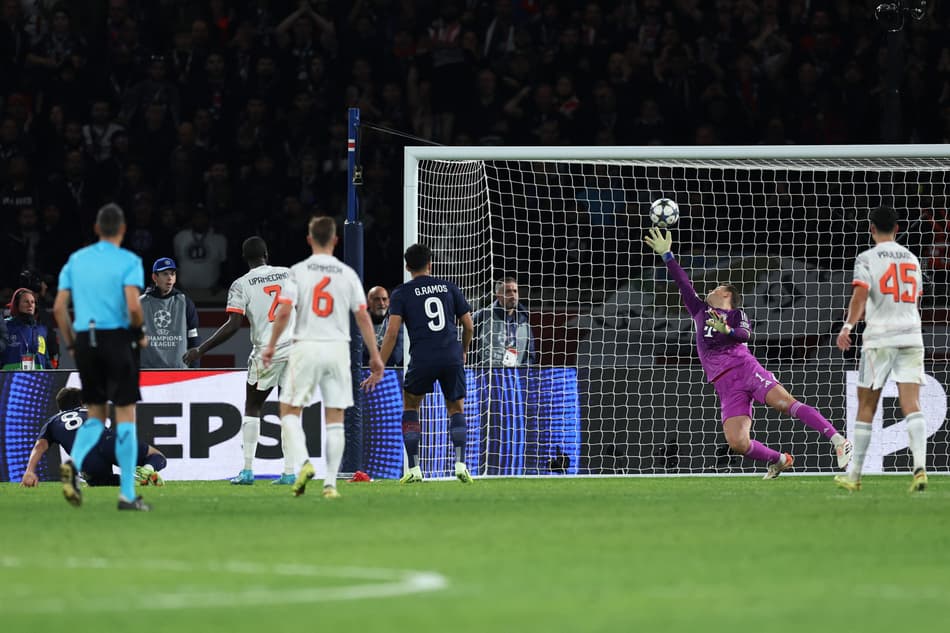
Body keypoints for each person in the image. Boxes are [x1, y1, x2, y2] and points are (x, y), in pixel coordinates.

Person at [643, 227, 853, 478]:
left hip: (746, 369)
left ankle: (838, 440)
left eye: (716, 287)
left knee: (785, 403)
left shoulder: (736, 314)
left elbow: (744, 336)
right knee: (738, 443)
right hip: (725, 385)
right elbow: (683, 283)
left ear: (727, 294)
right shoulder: (700, 312)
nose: (710, 289)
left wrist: (726, 328)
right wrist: (667, 254)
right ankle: (780, 460)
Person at [262, 216, 384, 500]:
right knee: (336, 417)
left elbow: (283, 311)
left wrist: (270, 345)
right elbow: (363, 316)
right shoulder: (347, 274)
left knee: (289, 410)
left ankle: (304, 463)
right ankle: (330, 484)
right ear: (335, 240)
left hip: (306, 345)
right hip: (338, 348)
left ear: (308, 240)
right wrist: (375, 355)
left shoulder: (297, 271)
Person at [53, 202, 151, 511]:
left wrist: (71, 345)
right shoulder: (129, 261)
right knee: (124, 417)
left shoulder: (75, 261)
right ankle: (126, 495)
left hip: (85, 340)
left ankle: (74, 464)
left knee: (95, 413)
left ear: (96, 229)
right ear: (122, 230)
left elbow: (58, 309)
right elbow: (134, 307)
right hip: (117, 340)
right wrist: (138, 333)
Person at [183, 236, 298, 485]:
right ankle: (289, 472)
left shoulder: (241, 284)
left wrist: (200, 350)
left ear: (245, 258)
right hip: (295, 351)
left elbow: (233, 324)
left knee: (253, 407)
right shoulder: (288, 275)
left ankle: (247, 471)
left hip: (267, 353)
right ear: (267, 253)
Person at [835, 206, 929, 493]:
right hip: (912, 335)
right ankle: (920, 469)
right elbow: (916, 300)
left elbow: (860, 294)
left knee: (866, 406)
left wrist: (848, 327)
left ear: (871, 228)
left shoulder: (867, 258)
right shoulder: (912, 259)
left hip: (880, 339)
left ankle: (854, 477)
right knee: (912, 403)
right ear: (897, 229)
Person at [366, 243, 475, 484]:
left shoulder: (402, 293)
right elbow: (468, 325)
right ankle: (460, 464)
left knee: (411, 406)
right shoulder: (449, 287)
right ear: (430, 264)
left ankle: (414, 468)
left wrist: (379, 366)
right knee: (456, 409)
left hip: (423, 357)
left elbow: (392, 333)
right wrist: (464, 350)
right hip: (451, 355)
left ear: (407, 267)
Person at [20, 387, 167, 488]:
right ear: (82, 403)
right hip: (107, 441)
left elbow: (39, 447)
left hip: (87, 460)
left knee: (99, 482)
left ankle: (135, 481)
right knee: (156, 456)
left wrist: (30, 471)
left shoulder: (53, 421)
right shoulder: (90, 411)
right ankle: (147, 470)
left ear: (60, 407)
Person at [139, 257, 200, 369]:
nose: (170, 278)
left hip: (179, 371)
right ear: (154, 277)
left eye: (173, 274)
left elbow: (194, 339)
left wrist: (195, 370)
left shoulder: (185, 302)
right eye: (165, 274)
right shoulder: (141, 303)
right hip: (148, 371)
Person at [472, 276, 535, 367]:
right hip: (485, 376)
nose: (513, 295)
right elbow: (466, 346)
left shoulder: (524, 320)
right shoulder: (482, 316)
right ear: (498, 295)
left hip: (515, 377)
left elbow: (530, 354)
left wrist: (522, 374)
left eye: (515, 291)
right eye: (508, 291)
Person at [2, 287, 53, 369]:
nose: (30, 305)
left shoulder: (41, 330)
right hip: (10, 379)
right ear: (17, 304)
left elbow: (46, 360)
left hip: (37, 379)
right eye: (26, 301)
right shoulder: (5, 326)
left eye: (32, 302)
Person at [363, 285, 404, 367]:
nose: (381, 303)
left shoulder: (398, 323)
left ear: (388, 302)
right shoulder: (358, 324)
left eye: (384, 299)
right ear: (368, 302)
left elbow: (396, 357)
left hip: (392, 373)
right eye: (376, 299)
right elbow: (359, 356)